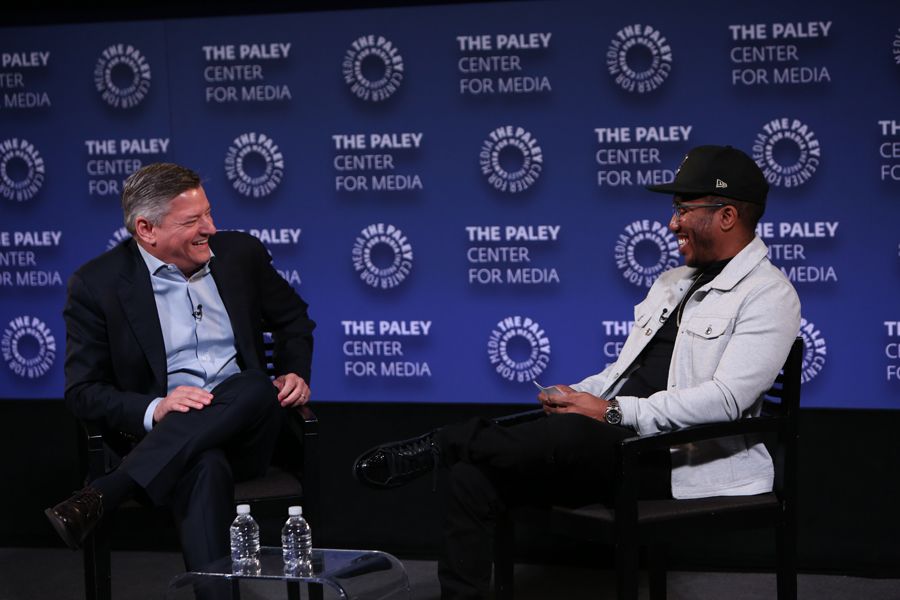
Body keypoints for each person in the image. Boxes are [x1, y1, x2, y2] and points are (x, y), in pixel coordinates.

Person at [353, 145, 801, 600]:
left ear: (726, 215)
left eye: (683, 210)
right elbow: (627, 371)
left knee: (572, 435)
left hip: (681, 460)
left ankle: (443, 444)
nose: (672, 224)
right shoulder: (671, 282)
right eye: (674, 210)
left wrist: (609, 412)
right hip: (618, 443)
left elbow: (724, 402)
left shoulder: (770, 295)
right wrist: (581, 394)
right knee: (474, 476)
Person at [45, 162, 316, 571]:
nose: (210, 227)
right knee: (203, 465)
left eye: (208, 212)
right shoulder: (98, 285)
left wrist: (295, 371)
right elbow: (81, 392)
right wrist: (156, 408)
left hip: (248, 432)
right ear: (146, 230)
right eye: (193, 220)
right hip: (164, 443)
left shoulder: (240, 255)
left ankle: (107, 492)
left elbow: (293, 319)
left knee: (255, 385)